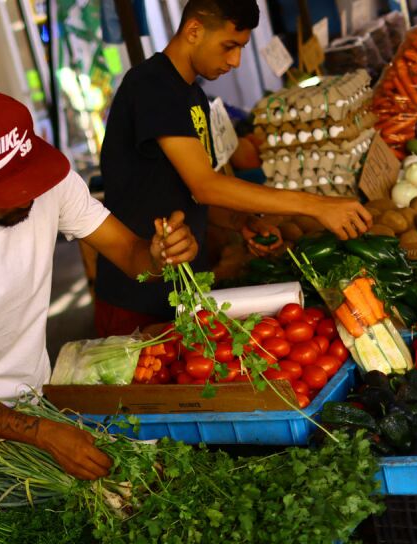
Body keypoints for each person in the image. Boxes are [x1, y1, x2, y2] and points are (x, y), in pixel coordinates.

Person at [0, 93, 198, 482]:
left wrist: (160, 255)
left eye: (27, 179)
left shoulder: (49, 184)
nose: (27, 195)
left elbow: (130, 254)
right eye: (7, 191)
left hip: (35, 392)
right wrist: (46, 434)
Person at [94, 0, 373, 336]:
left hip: (183, 289)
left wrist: (240, 222)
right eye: (229, 46)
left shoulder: (192, 95)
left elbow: (186, 191)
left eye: (241, 47)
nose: (235, 61)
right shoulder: (151, 86)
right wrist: (317, 205)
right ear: (194, 30)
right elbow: (205, 185)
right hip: (136, 296)